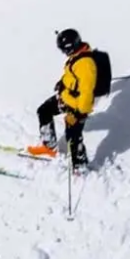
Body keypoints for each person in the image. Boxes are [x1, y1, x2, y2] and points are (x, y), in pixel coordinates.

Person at [35, 29, 99, 167]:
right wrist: (63, 83)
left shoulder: (85, 64)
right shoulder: (76, 56)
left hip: (77, 106)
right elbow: (72, 76)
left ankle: (80, 166)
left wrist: (79, 114)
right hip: (66, 98)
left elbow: (87, 92)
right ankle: (49, 147)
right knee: (44, 111)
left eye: (65, 49)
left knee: (73, 137)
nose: (64, 53)